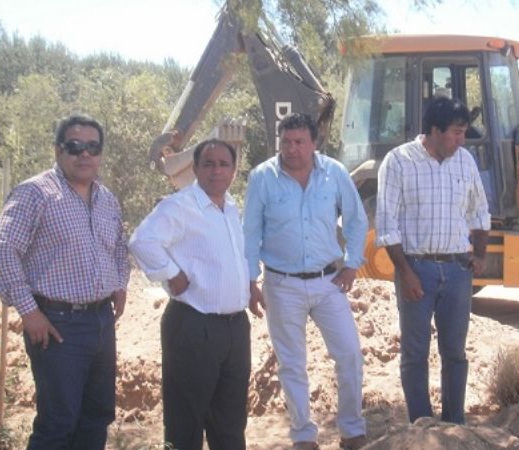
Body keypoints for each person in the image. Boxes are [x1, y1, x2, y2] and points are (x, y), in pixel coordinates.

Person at [0, 114, 130, 450]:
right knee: (58, 422)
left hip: (101, 322)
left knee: (97, 415)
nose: (85, 154)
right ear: (58, 150)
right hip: (57, 324)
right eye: (75, 146)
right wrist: (29, 311)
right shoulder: (36, 193)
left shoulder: (107, 199)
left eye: (93, 147)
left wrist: (120, 284)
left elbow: (119, 249)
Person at [244, 113, 368, 450]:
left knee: (349, 354)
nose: (292, 149)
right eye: (286, 142)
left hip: (329, 282)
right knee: (292, 363)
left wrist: (352, 264)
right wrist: (249, 280)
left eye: (299, 142)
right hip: (281, 284)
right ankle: (303, 436)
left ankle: (352, 430)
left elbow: (356, 219)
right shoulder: (262, 178)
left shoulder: (335, 174)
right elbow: (250, 232)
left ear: (314, 143)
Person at [129, 139, 251, 450]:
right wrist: (171, 274)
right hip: (194, 327)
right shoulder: (179, 206)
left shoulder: (230, 207)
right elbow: (142, 241)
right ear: (195, 168)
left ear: (234, 171)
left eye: (224, 164)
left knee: (230, 422)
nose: (216, 170)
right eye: (208, 164)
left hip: (235, 329)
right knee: (186, 423)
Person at [376, 96, 490, 425]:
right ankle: (422, 427)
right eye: (456, 132)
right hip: (417, 270)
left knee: (454, 353)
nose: (462, 139)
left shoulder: (464, 161)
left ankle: (454, 425)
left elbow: (479, 211)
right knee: (415, 354)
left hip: (457, 271)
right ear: (435, 131)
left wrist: (479, 255)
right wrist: (406, 273)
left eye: (464, 132)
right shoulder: (398, 162)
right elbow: (387, 225)